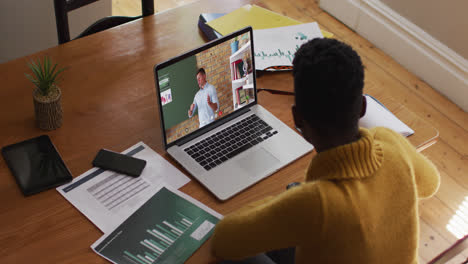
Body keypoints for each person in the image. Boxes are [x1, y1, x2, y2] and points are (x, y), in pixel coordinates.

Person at [210, 38, 440, 264]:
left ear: (297, 118)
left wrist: (287, 203)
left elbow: (224, 240)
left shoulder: (314, 203)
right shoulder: (391, 142)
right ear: (362, 106)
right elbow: (431, 183)